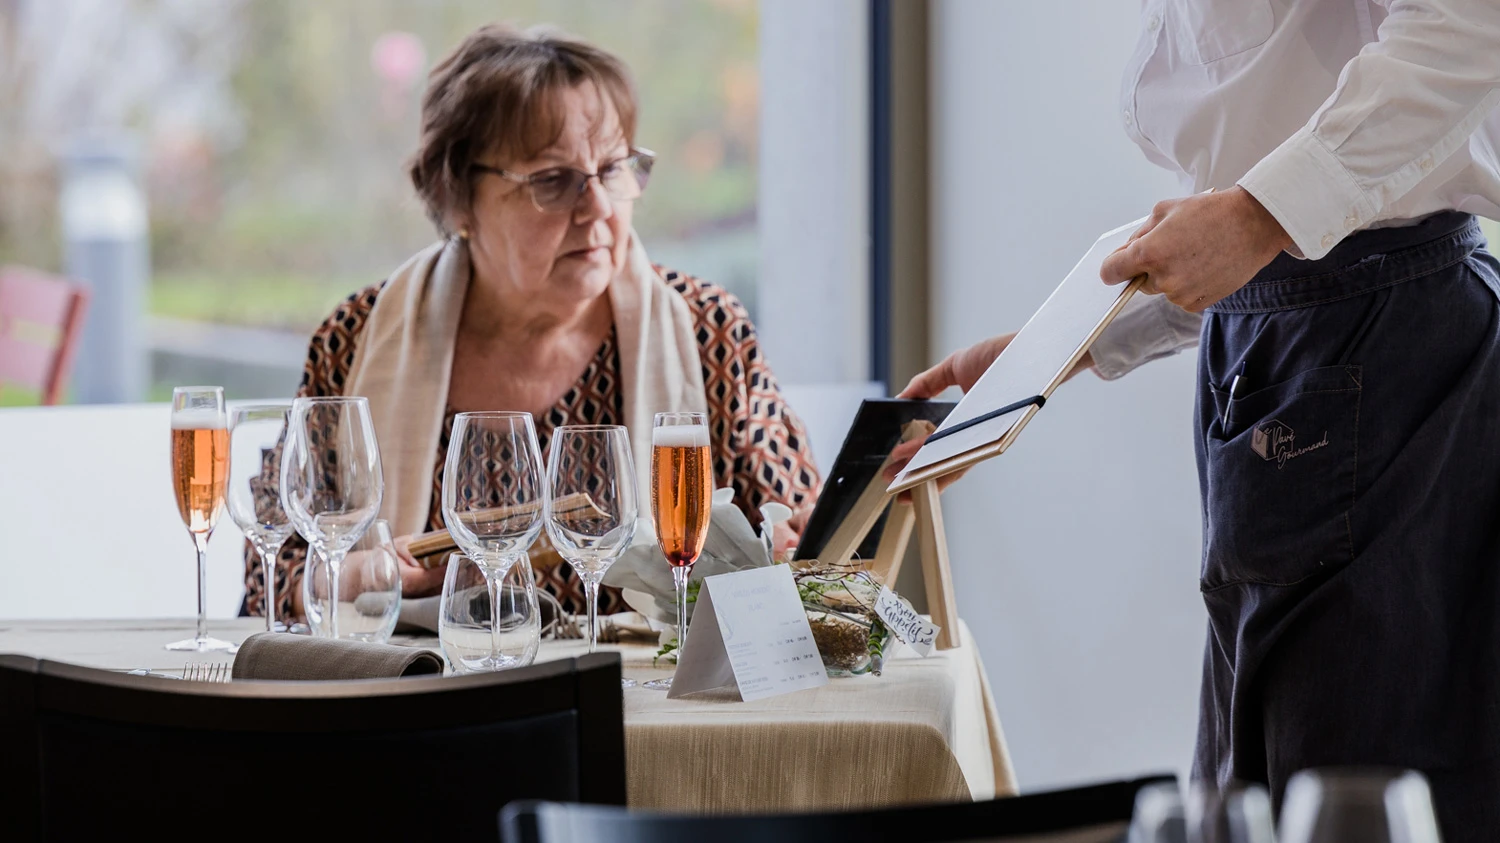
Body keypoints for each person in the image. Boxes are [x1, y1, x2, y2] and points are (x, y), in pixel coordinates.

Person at [894, 2, 1500, 836]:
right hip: (1283, 344)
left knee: (1345, 791)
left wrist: (1258, 215)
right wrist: (1049, 351)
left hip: (1384, 344)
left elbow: (1471, 23)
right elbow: (1242, 240)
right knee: (1252, 788)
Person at [245, 24, 821, 622]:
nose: (598, 207)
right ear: (458, 198)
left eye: (613, 170)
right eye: (553, 180)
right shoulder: (358, 335)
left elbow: (807, 547)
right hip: (424, 703)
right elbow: (269, 573)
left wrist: (861, 495)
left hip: (652, 706)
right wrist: (365, 573)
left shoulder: (706, 330)